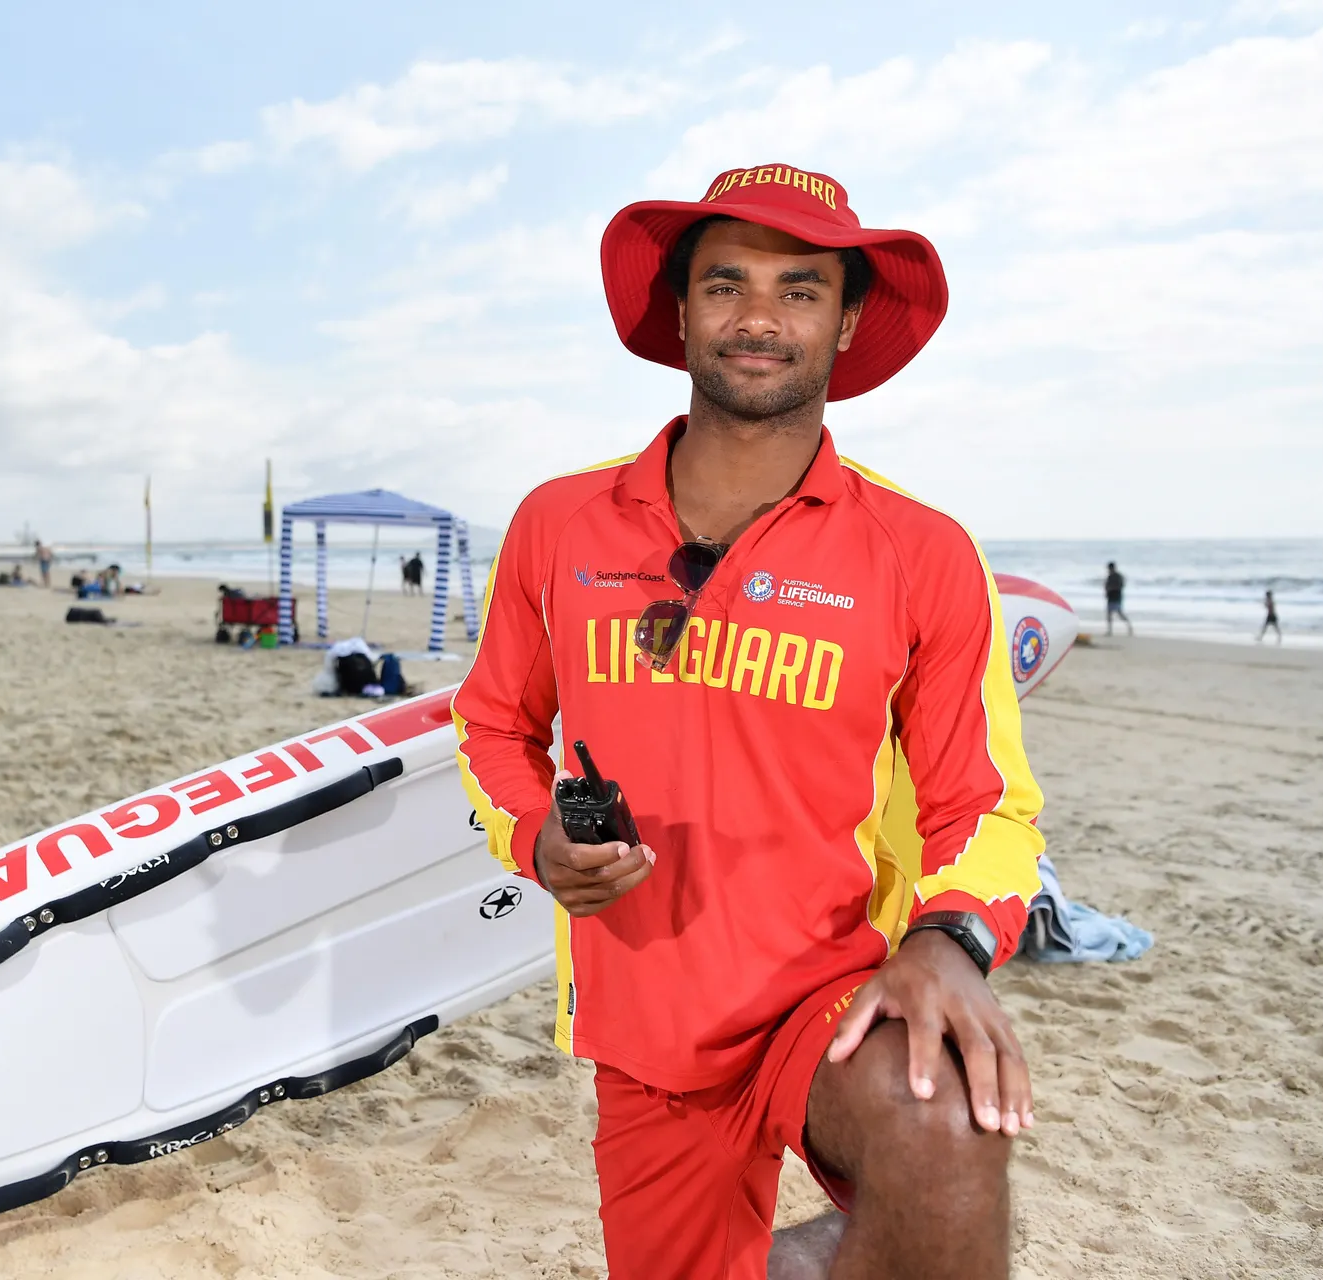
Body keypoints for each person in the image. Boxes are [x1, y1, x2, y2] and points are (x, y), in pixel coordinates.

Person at [452, 163, 1044, 1280]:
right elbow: (492, 729)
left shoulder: (920, 550)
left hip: (825, 988)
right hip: (647, 1023)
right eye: (726, 284)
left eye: (801, 288)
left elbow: (989, 800)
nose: (760, 317)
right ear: (681, 311)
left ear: (849, 318)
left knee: (947, 1122)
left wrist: (949, 939)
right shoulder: (558, 520)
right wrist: (538, 838)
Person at [1104, 561, 1132, 636]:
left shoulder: (1118, 576)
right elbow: (1106, 585)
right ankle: (1110, 631)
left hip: (1116, 597)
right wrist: (1107, 591)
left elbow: (1121, 586)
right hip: (1111, 597)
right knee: (1109, 614)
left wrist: (1111, 588)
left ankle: (1129, 627)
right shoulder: (1109, 576)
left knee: (1120, 613)